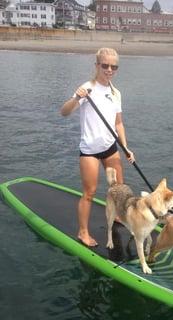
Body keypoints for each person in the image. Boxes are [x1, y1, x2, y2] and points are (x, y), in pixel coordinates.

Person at [60, 47, 135, 247]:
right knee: (90, 192)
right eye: (105, 65)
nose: (109, 69)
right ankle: (82, 232)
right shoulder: (87, 88)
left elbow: (118, 123)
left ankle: (118, 215)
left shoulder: (115, 92)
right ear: (97, 66)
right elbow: (64, 112)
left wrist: (126, 148)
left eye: (114, 66)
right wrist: (76, 97)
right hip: (90, 151)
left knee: (119, 188)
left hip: (111, 147)